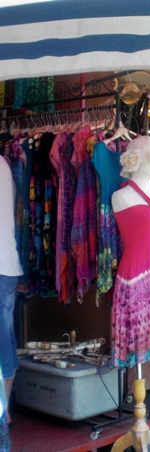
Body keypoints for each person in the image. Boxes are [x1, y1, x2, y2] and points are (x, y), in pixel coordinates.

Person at [111, 136, 150, 368]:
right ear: (136, 161)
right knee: (137, 341)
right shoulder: (121, 196)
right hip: (135, 275)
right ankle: (136, 398)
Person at [0, 157, 23, 427]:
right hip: (6, 264)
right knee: (4, 337)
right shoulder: (4, 164)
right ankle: (4, 414)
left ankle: (3, 416)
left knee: (3, 339)